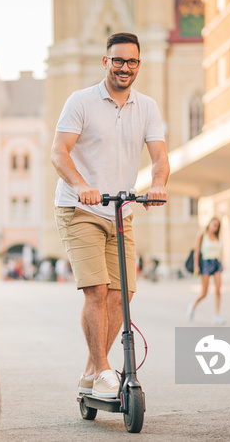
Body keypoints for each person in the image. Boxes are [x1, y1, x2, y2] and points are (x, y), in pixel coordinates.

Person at [51, 32, 169, 399]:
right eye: (118, 60)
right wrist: (82, 183)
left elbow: (160, 157)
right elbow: (59, 152)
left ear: (138, 65)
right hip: (81, 207)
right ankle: (103, 370)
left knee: (122, 294)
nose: (124, 67)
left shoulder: (146, 107)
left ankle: (91, 371)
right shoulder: (81, 101)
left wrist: (158, 184)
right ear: (106, 62)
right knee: (97, 292)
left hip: (121, 210)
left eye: (132, 61)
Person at [187, 217, 224, 325]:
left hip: (216, 262)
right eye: (214, 224)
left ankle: (217, 315)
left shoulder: (218, 237)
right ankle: (192, 306)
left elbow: (221, 251)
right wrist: (196, 266)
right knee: (204, 293)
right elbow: (196, 252)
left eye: (217, 225)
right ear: (209, 224)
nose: (215, 227)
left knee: (218, 290)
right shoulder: (202, 235)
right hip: (206, 263)